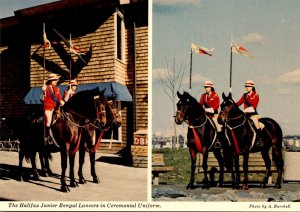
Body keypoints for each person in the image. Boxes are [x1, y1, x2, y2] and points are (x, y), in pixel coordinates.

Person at [236, 80, 262, 146]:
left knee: (256, 124)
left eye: (248, 86)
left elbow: (253, 107)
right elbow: (238, 103)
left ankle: (259, 139)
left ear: (252, 87)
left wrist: (244, 111)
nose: (247, 87)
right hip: (245, 115)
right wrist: (231, 103)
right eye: (246, 86)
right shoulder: (244, 95)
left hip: (253, 115)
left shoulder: (256, 95)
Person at [41, 73, 65, 142]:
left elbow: (59, 97)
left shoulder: (57, 89)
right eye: (54, 80)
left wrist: (61, 101)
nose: (56, 81)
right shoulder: (46, 88)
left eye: (56, 80)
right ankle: (46, 136)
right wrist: (43, 92)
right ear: (50, 81)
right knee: (48, 121)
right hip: (48, 108)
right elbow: (42, 99)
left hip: (56, 108)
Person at [199, 81, 222, 147]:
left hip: (214, 115)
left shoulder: (215, 95)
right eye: (205, 87)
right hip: (206, 116)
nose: (206, 88)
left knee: (218, 126)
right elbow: (200, 104)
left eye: (208, 87)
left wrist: (206, 110)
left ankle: (218, 141)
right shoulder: (203, 96)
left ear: (211, 87)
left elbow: (216, 106)